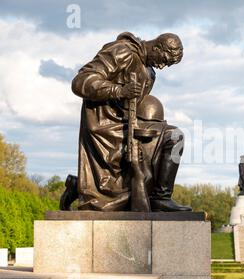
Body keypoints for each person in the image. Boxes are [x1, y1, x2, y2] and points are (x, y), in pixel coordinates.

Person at [60, 32, 191, 212]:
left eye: (167, 65)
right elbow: (81, 81)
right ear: (157, 47)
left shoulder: (150, 71)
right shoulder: (122, 51)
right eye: (163, 60)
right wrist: (119, 90)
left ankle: (161, 197)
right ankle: (82, 186)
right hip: (105, 127)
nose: (162, 66)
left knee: (175, 137)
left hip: (130, 124)